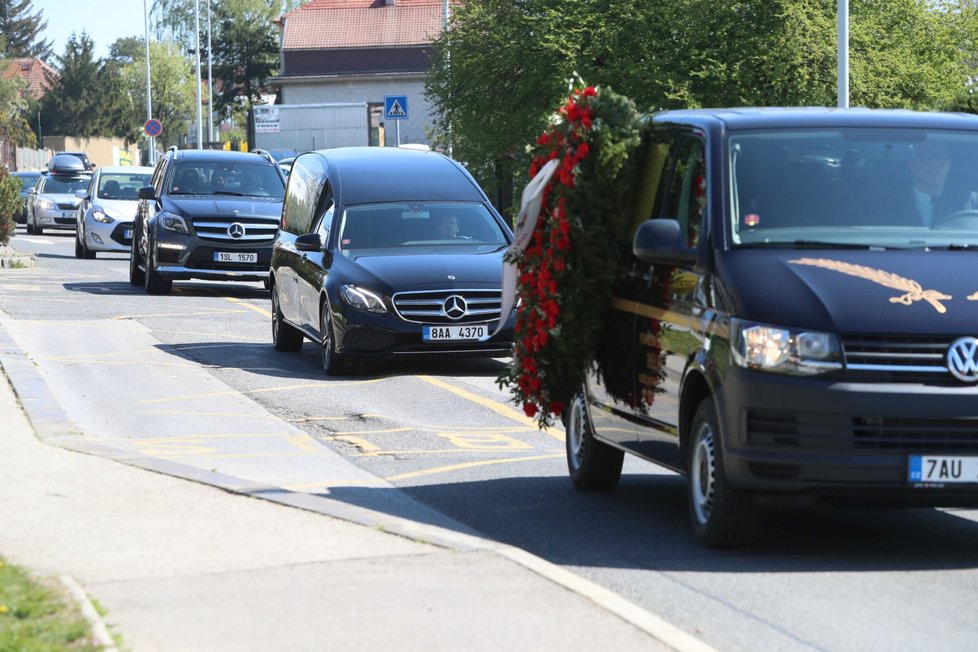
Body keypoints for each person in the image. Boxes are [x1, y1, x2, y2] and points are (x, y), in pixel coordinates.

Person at [900, 140, 978, 227]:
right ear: (911, 164)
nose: (935, 163)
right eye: (926, 157)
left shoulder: (971, 202)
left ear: (949, 164)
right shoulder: (890, 203)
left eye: (941, 157)